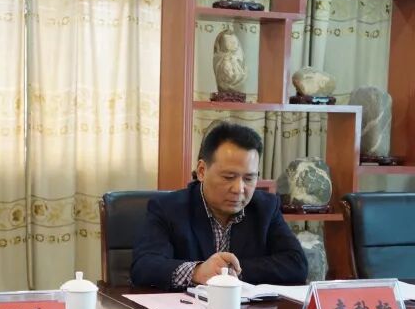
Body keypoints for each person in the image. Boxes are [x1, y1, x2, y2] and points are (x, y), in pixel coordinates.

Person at [131, 122, 307, 290]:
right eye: (228, 177)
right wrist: (198, 271)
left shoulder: (266, 207)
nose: (239, 189)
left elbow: (296, 264)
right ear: (202, 171)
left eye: (249, 178)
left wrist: (228, 272)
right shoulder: (167, 208)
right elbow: (144, 266)